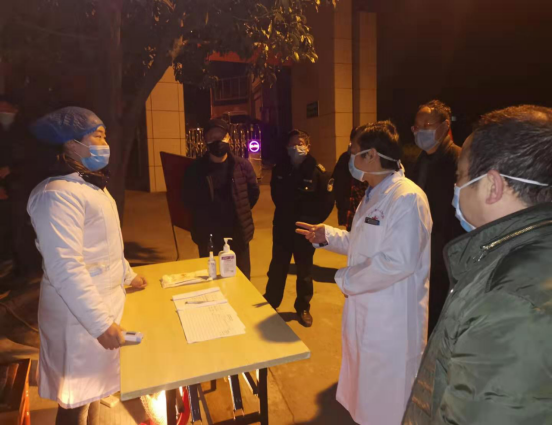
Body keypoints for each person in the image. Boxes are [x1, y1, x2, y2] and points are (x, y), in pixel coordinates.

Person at [403, 105, 552, 425]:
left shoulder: (509, 304)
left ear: (493, 186)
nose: (456, 189)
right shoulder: (523, 253)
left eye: (461, 177)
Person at [297, 121, 432, 424]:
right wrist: (328, 236)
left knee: (390, 405)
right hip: (369, 314)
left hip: (392, 324)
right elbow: (364, 243)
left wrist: (343, 278)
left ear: (371, 155)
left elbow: (398, 261)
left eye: (353, 151)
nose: (349, 157)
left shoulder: (407, 198)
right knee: (367, 397)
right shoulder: (373, 194)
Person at [27, 107, 147, 425]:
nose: (105, 144)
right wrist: (100, 325)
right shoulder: (56, 195)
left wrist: (128, 275)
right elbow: (65, 266)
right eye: (98, 136)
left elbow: (106, 246)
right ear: (71, 143)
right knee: (74, 404)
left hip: (99, 306)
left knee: (92, 391)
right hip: (77, 317)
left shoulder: (90, 186)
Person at [264, 130, 334, 327]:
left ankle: (303, 307)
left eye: (301, 143)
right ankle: (272, 300)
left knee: (304, 271)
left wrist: (313, 223)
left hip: (305, 231)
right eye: (293, 144)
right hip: (283, 227)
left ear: (308, 147)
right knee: (278, 266)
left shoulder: (318, 172)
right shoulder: (280, 168)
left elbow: (327, 202)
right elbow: (276, 195)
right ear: (287, 148)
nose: (297, 147)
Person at [409, 100, 464, 334]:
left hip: (446, 254)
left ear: (444, 126)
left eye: (427, 125)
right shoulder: (420, 161)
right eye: (417, 126)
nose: (420, 131)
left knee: (441, 315)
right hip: (423, 249)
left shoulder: (459, 160)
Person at [182, 118, 260, 280]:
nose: (217, 141)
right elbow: (188, 199)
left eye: (221, 136)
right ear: (205, 140)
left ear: (229, 138)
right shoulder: (195, 170)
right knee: (212, 280)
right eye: (212, 137)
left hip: (238, 234)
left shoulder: (242, 166)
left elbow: (252, 194)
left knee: (242, 281)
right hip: (208, 236)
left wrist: (240, 209)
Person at [332, 125, 369, 231]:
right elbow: (337, 181)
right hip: (348, 206)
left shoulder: (371, 161)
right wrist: (341, 203)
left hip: (365, 210)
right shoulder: (344, 158)